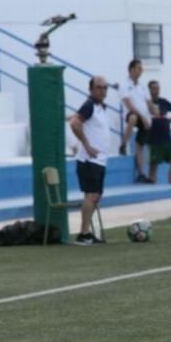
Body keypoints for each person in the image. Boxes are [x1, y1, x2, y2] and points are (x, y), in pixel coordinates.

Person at [69, 76, 111, 245]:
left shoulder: (100, 108)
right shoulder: (89, 106)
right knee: (91, 195)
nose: (103, 91)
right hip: (89, 160)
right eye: (99, 87)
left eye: (105, 88)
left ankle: (87, 231)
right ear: (91, 89)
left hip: (99, 160)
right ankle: (84, 233)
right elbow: (74, 123)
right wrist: (86, 145)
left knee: (96, 195)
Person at [119, 59, 156, 183]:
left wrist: (155, 112)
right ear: (131, 69)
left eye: (141, 69)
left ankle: (141, 173)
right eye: (139, 68)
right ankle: (123, 144)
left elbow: (149, 103)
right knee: (133, 118)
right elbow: (129, 105)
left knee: (140, 146)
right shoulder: (124, 85)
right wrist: (143, 118)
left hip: (144, 118)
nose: (141, 71)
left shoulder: (142, 86)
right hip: (133, 115)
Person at [146, 80, 171, 184]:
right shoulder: (147, 103)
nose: (156, 91)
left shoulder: (163, 102)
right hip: (154, 139)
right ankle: (152, 186)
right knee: (153, 165)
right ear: (149, 90)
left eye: (157, 88)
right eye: (153, 88)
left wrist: (170, 120)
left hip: (167, 138)